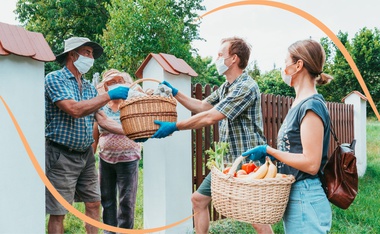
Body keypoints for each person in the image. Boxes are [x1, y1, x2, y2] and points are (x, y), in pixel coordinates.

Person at [151, 37, 273, 234]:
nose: (216, 58)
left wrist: (174, 126)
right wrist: (175, 92)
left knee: (255, 217)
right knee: (198, 199)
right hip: (227, 163)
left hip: (248, 161)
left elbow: (210, 117)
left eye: (220, 55)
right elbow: (201, 106)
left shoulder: (246, 86)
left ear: (234, 58)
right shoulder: (225, 87)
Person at [242, 39, 333, 233]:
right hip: (298, 197)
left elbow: (311, 163)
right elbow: (295, 152)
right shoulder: (299, 103)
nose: (283, 68)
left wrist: (269, 150)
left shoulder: (311, 106)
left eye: (286, 62)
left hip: (306, 198)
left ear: (298, 65)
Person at [45, 37, 129, 234]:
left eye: (92, 54)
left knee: (94, 203)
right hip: (61, 155)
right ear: (72, 55)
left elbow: (103, 120)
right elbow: (74, 109)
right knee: (59, 211)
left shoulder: (90, 88)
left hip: (86, 156)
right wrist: (109, 95)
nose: (92, 58)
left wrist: (133, 133)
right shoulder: (54, 79)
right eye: (88, 53)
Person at [92, 69, 141, 232]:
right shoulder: (101, 106)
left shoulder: (131, 103)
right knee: (107, 200)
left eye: (118, 81)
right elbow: (96, 131)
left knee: (127, 202)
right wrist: (91, 156)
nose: (114, 84)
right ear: (105, 87)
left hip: (129, 159)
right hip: (105, 159)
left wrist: (134, 90)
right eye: (110, 82)